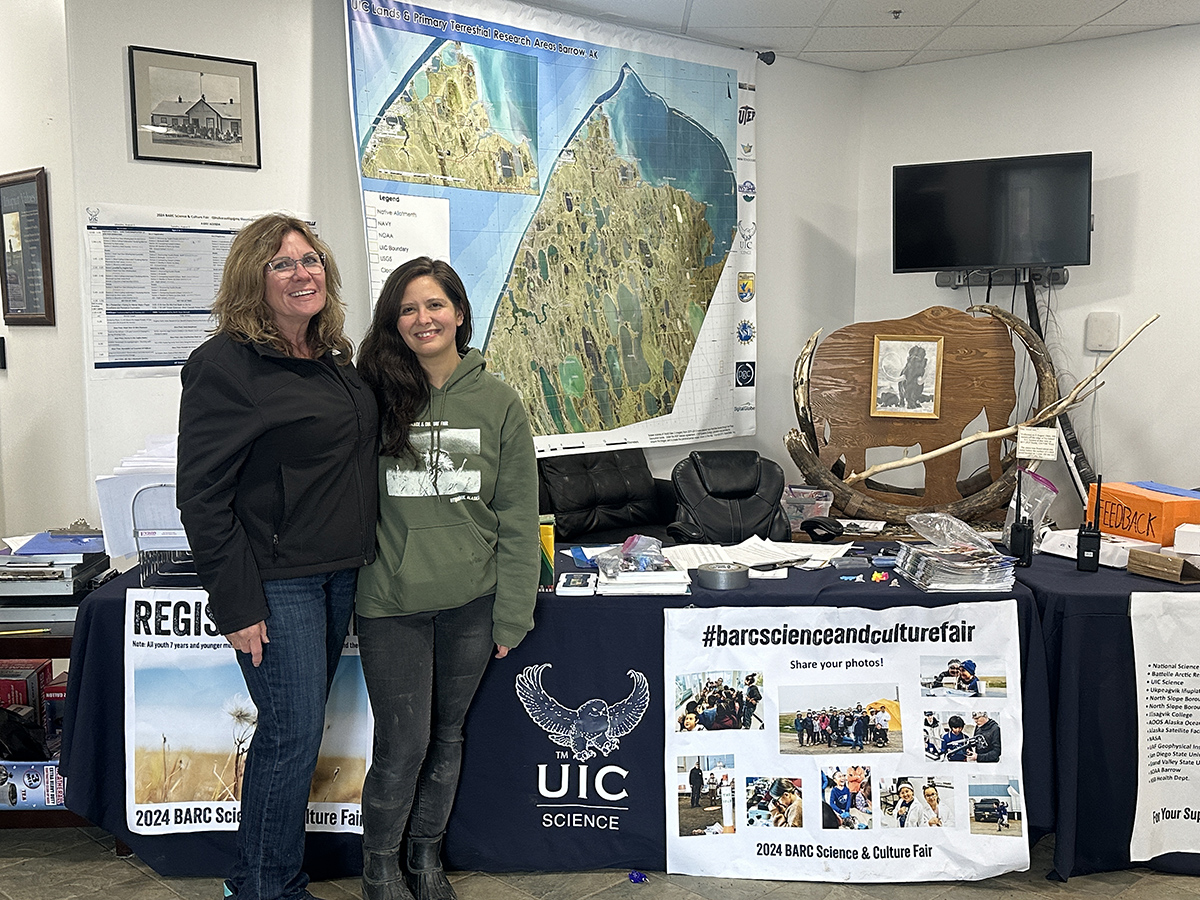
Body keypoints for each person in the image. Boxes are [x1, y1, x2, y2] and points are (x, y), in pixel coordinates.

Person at [176, 214, 380, 900]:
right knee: (291, 738)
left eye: (311, 260)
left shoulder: (329, 355)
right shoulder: (223, 366)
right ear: (252, 280)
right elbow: (201, 498)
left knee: (297, 733)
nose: (304, 273)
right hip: (276, 582)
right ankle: (265, 887)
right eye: (283, 264)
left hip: (338, 572)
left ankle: (261, 879)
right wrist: (235, 603)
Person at [354, 257, 538, 900]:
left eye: (434, 305)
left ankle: (425, 859)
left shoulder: (499, 401)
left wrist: (513, 611)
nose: (422, 319)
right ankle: (380, 865)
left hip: (473, 602)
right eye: (407, 309)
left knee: (447, 737)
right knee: (402, 745)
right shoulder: (371, 396)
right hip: (390, 602)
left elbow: (518, 514)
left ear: (459, 313)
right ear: (393, 322)